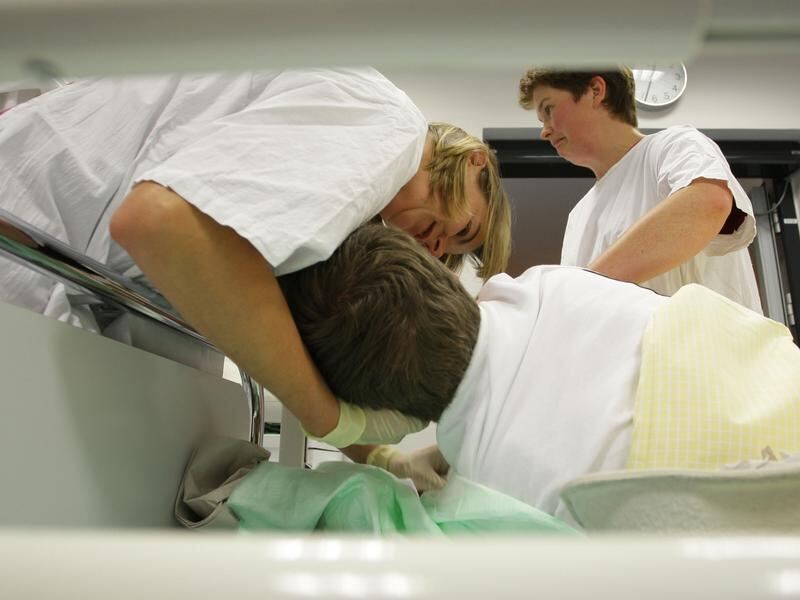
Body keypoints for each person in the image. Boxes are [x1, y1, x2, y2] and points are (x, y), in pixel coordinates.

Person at [0, 68, 511, 481]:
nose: (438, 246)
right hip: (30, 229)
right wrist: (327, 419)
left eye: (451, 253)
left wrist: (377, 454)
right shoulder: (393, 129)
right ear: (475, 163)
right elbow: (158, 223)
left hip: (57, 256)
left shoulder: (349, 209)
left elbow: (261, 330)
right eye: (464, 229)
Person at [279, 223, 800, 520]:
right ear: (441, 276)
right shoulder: (552, 283)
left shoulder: (483, 501)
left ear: (384, 415)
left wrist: (381, 448)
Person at [517, 67, 762, 313]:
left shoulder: (674, 146)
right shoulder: (578, 217)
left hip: (706, 337)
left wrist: (585, 288)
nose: (544, 131)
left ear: (595, 91)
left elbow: (708, 204)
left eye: (549, 110)